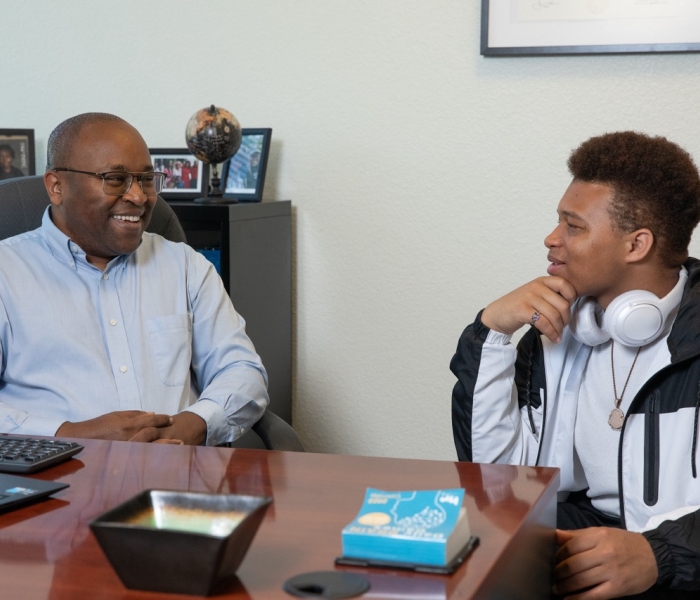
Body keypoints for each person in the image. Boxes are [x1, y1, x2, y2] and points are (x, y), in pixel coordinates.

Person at [451, 131, 700, 598]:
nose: (551, 239)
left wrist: (661, 555)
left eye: (573, 226)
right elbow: (498, 483)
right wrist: (492, 332)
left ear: (636, 244)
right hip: (583, 555)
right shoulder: (558, 331)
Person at [0, 113, 269, 446]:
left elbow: (242, 370)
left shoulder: (185, 266)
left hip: (178, 474)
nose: (139, 197)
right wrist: (69, 434)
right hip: (56, 479)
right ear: (57, 186)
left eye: (146, 179)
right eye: (115, 179)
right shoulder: (6, 273)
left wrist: (193, 425)